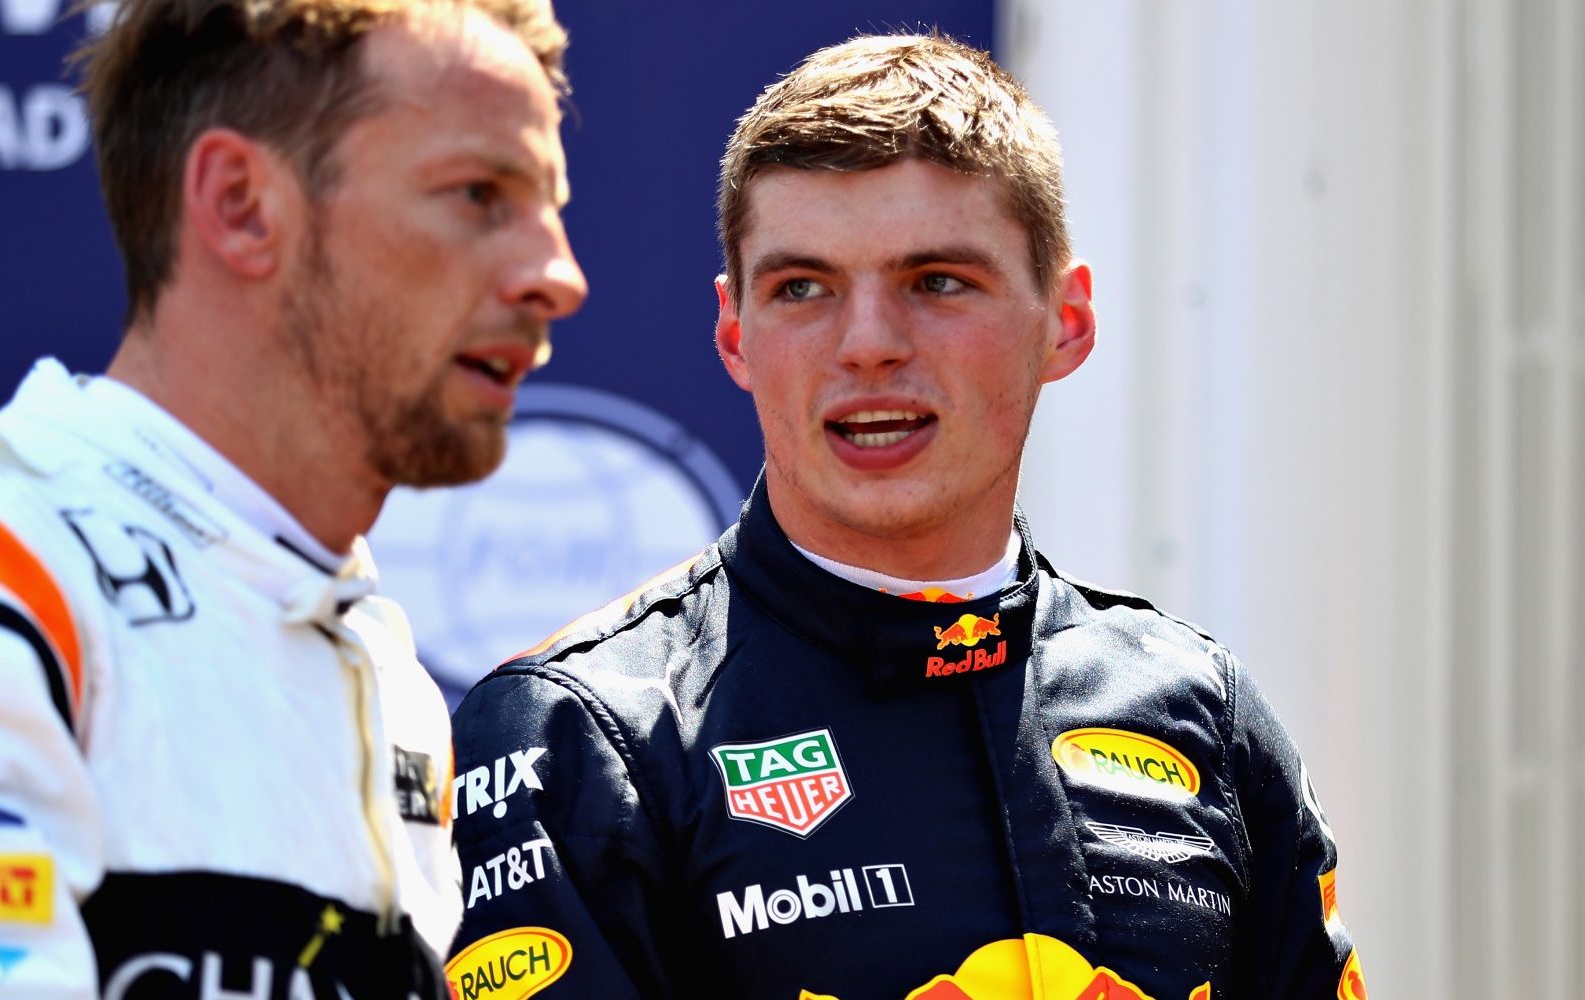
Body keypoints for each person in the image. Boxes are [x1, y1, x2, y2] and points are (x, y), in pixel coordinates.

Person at [445, 32, 1365, 1000]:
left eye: (936, 282)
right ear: (734, 334)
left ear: (1066, 320)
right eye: (803, 288)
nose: (869, 344)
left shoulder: (1201, 706)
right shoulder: (582, 728)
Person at [0, 0, 584, 995]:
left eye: (552, 207)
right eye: (479, 194)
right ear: (242, 203)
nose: (557, 275)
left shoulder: (385, 671)